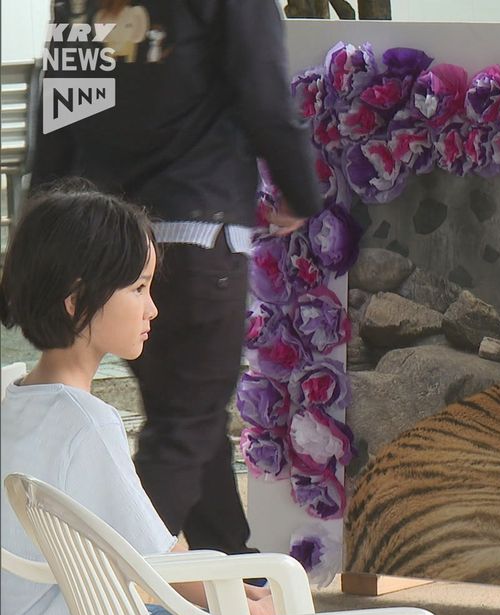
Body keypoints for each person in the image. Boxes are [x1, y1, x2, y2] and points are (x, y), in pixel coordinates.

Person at [33, 0, 322, 555]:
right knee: (183, 428)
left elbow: (60, 103)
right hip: (196, 227)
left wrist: (48, 224)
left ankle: (238, 583)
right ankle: (104, 593)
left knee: (189, 420)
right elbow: (262, 89)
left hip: (108, 242)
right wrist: (302, 192)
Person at [0, 183, 288, 615]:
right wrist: (249, 608)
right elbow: (164, 570)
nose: (152, 307)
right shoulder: (85, 422)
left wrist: (233, 590)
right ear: (77, 300)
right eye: (138, 288)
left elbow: (153, 538)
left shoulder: (18, 399)